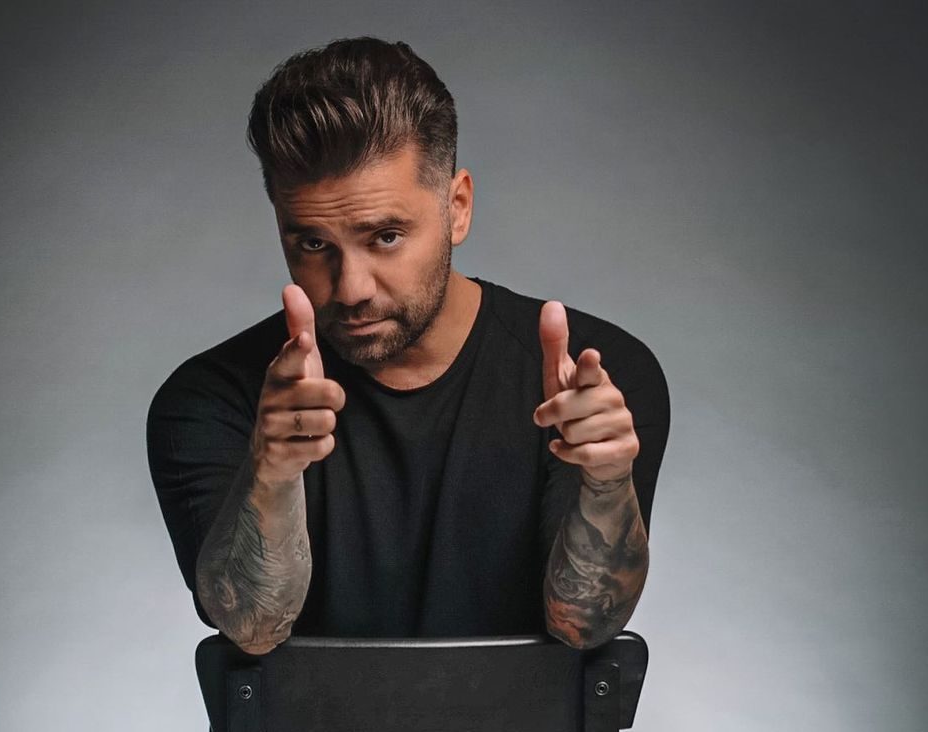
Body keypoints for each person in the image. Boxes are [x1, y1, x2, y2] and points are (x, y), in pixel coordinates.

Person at [147, 37, 670, 656]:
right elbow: (252, 630)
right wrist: (272, 474)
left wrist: (607, 482)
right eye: (313, 244)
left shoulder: (597, 383)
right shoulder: (210, 399)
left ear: (457, 208)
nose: (351, 288)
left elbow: (582, 625)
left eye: (386, 237)